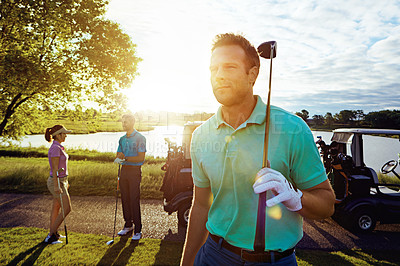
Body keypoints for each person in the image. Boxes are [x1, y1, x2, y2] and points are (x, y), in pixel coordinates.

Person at [180, 33, 336, 265]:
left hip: (275, 261)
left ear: (252, 74)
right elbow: (202, 203)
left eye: (230, 67)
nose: (219, 75)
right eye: (214, 69)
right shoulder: (201, 135)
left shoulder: (293, 129)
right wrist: (186, 262)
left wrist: (296, 197)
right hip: (214, 255)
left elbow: (326, 204)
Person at [114, 114, 146, 240]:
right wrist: (119, 158)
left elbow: (141, 158)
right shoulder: (122, 139)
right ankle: (128, 225)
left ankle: (138, 229)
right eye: (122, 122)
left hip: (135, 171)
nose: (124, 124)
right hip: (124, 170)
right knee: (125, 198)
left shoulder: (140, 138)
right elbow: (118, 155)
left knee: (134, 198)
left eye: (126, 122)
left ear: (133, 121)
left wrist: (125, 157)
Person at [44, 125, 72, 244]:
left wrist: (66, 182)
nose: (65, 135)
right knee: (67, 208)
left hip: (62, 181)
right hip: (57, 181)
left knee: (56, 207)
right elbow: (55, 169)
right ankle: (51, 235)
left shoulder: (58, 147)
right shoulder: (55, 148)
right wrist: (57, 186)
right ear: (58, 135)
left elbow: (61, 168)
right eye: (64, 133)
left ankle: (54, 233)